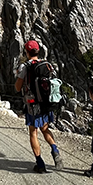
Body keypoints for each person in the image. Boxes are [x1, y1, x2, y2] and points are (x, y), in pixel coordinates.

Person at [15, 39, 63, 173]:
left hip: (33, 105)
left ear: (27, 52)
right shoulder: (45, 64)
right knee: (45, 128)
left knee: (33, 133)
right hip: (46, 103)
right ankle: (55, 150)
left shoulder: (25, 66)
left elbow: (18, 88)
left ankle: (40, 163)